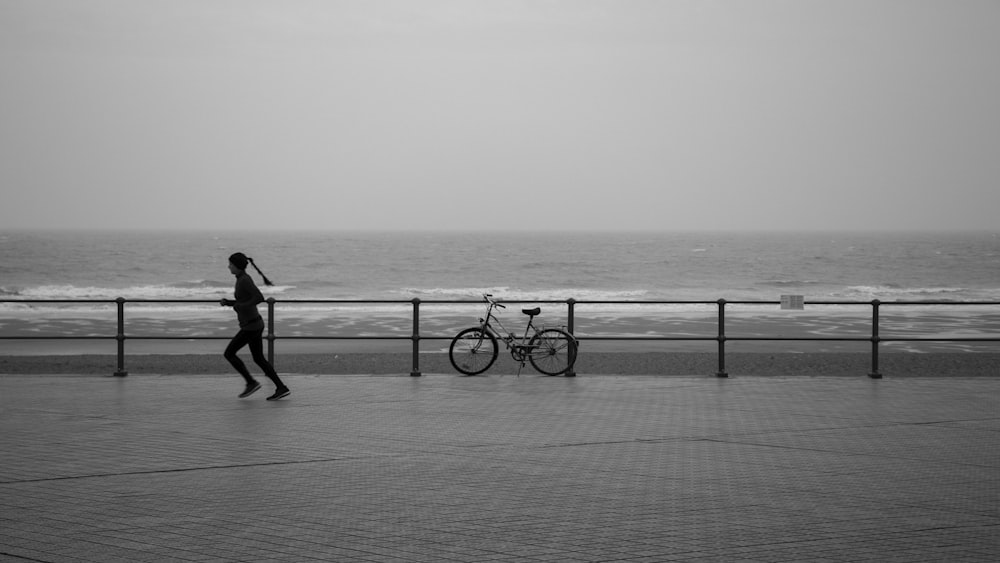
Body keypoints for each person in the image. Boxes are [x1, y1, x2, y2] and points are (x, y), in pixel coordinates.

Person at [220, 252, 290, 400]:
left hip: (251, 326)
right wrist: (230, 303)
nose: (228, 267)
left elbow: (258, 298)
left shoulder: (244, 280)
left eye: (230, 264)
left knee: (229, 353)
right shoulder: (241, 279)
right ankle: (281, 387)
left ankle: (251, 382)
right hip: (254, 324)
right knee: (258, 359)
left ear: (237, 266)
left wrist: (239, 306)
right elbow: (244, 300)